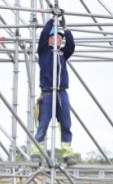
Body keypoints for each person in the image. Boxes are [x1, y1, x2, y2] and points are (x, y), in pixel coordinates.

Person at [33, 12, 76, 165]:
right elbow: (43, 34)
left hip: (61, 93)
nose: (58, 40)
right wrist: (52, 21)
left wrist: (66, 28)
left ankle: (67, 153)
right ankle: (36, 154)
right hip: (47, 93)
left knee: (66, 124)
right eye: (55, 37)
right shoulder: (44, 52)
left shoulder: (62, 54)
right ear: (50, 40)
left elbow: (71, 46)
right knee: (43, 125)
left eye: (60, 38)